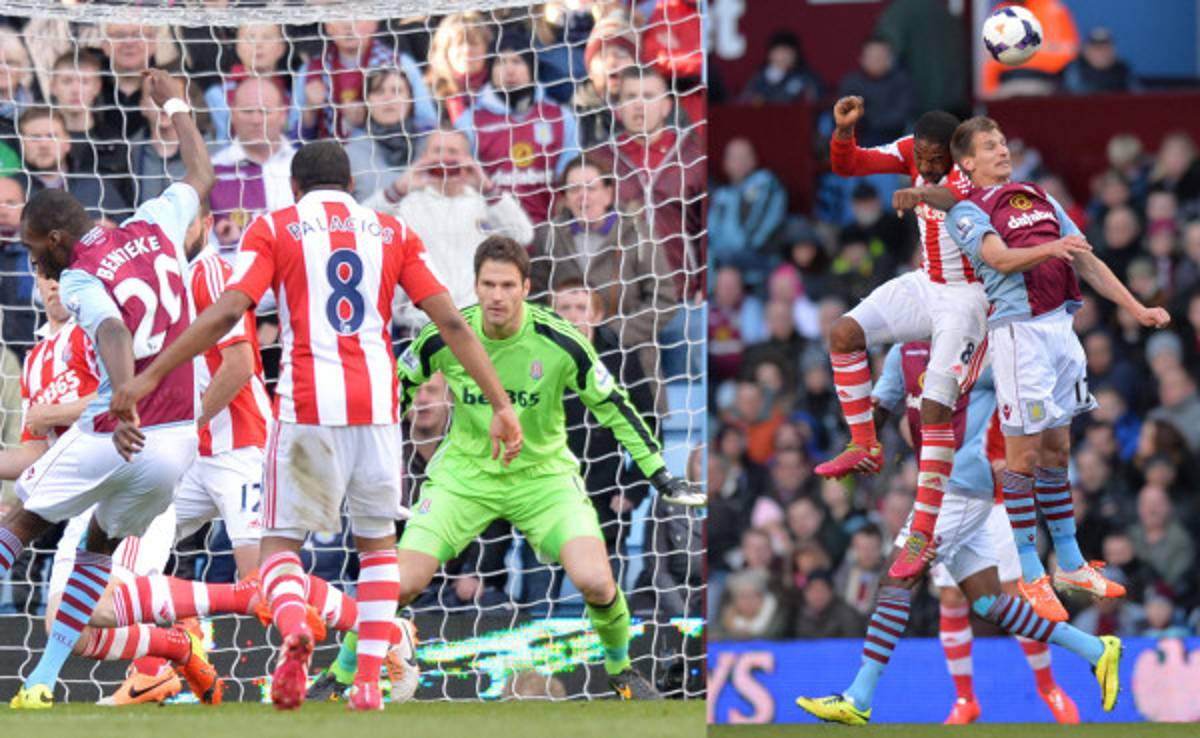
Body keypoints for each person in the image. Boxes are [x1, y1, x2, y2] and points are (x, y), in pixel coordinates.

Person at [109, 140, 523, 712]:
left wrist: (154, 373)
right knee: (378, 549)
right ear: (351, 185)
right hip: (377, 411)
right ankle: (369, 681)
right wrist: (501, 404)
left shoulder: (275, 227)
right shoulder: (391, 230)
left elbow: (231, 311)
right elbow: (450, 318)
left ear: (295, 189)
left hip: (305, 407)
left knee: (280, 548)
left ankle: (293, 634)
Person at [320, 236, 702, 700]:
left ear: (525, 287)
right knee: (399, 584)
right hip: (464, 480)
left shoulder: (560, 341)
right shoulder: (447, 333)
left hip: (544, 480)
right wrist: (370, 455)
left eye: (506, 285)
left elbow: (614, 406)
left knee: (597, 582)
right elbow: (397, 388)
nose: (496, 295)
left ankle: (622, 671)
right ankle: (340, 676)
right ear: (475, 286)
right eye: (488, 284)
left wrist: (658, 472)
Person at [4, 69, 214, 709]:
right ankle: (41, 681)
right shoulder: (154, 222)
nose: (38, 264)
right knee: (97, 545)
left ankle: (44, 677)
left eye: (38, 253)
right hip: (177, 443)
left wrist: (122, 399)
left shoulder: (76, 280)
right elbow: (202, 177)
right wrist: (174, 101)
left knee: (19, 519)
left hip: (115, 433)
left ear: (60, 241)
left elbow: (115, 329)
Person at [795, 341, 1121, 726]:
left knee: (896, 576)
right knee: (986, 603)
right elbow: (888, 412)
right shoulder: (903, 353)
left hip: (961, 490)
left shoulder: (978, 349)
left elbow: (1029, 392)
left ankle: (858, 697)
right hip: (943, 489)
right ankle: (1094, 649)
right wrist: (865, 439)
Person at [946, 115, 1171, 619]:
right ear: (967, 161)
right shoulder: (964, 211)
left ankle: (1068, 560)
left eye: (1002, 142)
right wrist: (1052, 248)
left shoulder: (1037, 195)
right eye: (989, 146)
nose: (1002, 150)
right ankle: (1030, 571)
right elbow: (1000, 260)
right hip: (1018, 333)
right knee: (1022, 457)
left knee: (1058, 447)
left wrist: (1135, 308)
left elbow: (1084, 258)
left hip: (1060, 330)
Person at [0, 270, 205, 707]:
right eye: (44, 277)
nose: (53, 285)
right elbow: (36, 455)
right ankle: (176, 645)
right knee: (66, 624)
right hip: (77, 502)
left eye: (60, 276)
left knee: (100, 606)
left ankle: (212, 606)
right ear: (35, 282)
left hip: (123, 486)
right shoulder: (35, 361)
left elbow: (125, 399)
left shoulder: (101, 333)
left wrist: (52, 410)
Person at [817, 95, 986, 581]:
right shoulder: (913, 150)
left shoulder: (973, 170)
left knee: (933, 408)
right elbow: (849, 165)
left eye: (938, 162)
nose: (929, 169)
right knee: (844, 331)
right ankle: (865, 444)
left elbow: (956, 199)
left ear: (957, 154)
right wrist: (845, 132)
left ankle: (923, 532)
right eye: (924, 161)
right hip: (927, 281)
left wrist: (920, 194)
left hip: (969, 299)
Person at [873, 341, 1079, 724]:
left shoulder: (994, 353)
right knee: (951, 597)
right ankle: (965, 700)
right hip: (950, 497)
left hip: (999, 502)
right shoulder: (926, 365)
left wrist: (1016, 460)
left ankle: (1049, 688)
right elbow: (908, 423)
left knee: (1016, 593)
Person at [531, 153, 678, 402]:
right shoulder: (549, 236)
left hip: (631, 362)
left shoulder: (638, 234)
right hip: (566, 363)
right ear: (565, 197)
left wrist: (610, 333)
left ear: (609, 193)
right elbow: (535, 298)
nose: (583, 196)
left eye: (591, 187)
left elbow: (664, 300)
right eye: (574, 188)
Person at [368, 127, 534, 333]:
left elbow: (524, 234)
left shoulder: (485, 202)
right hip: (420, 325)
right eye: (437, 151)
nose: (445, 158)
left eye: (453, 152)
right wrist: (400, 187)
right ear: (423, 156)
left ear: (469, 159)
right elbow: (361, 225)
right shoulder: (405, 203)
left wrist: (486, 186)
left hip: (475, 324)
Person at [455, 27, 579, 224]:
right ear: (490, 70)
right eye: (500, 62)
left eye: (517, 61)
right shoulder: (469, 122)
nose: (509, 70)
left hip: (550, 232)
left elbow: (572, 175)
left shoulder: (560, 117)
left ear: (531, 68)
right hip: (493, 232)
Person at [209, 77, 296, 254]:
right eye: (247, 111)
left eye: (265, 111)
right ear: (232, 114)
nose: (256, 120)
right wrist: (220, 242)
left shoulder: (301, 166)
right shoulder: (211, 172)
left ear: (283, 114)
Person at [836, 37, 914, 148]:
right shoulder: (852, 82)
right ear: (861, 59)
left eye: (881, 57)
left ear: (891, 60)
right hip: (859, 136)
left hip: (894, 137)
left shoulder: (901, 81)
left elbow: (902, 114)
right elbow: (846, 113)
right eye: (871, 57)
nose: (876, 61)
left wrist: (871, 118)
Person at [738, 30, 822, 105]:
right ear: (770, 54)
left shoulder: (806, 78)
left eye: (787, 52)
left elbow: (814, 100)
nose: (783, 56)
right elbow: (744, 102)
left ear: (796, 54)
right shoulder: (758, 79)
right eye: (779, 51)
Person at [1060, 27, 1139, 96]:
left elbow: (1136, 93)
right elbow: (1076, 94)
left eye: (1106, 48)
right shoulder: (1075, 69)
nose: (1101, 53)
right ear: (1085, 50)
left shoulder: (1122, 70)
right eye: (1097, 48)